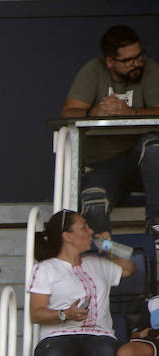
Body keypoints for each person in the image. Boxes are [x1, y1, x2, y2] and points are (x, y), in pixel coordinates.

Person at [60, 25, 159, 244]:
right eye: (128, 60)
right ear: (109, 61)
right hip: (103, 163)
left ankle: (157, 231)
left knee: (154, 146)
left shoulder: (150, 69)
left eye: (139, 56)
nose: (137, 63)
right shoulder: (93, 71)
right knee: (92, 200)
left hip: (142, 163)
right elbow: (68, 112)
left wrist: (131, 113)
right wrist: (92, 112)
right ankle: (102, 259)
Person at [28, 209, 134, 356]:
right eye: (84, 227)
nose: (90, 231)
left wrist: (109, 247)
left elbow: (129, 269)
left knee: (106, 353)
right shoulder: (45, 268)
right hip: (58, 335)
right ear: (67, 236)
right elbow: (36, 313)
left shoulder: (97, 263)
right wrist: (65, 314)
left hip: (99, 335)